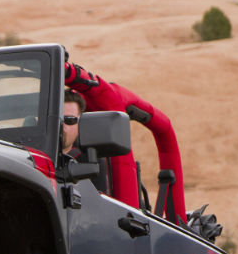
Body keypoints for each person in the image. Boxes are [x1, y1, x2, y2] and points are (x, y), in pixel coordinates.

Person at [64, 59, 187, 225]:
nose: (63, 126)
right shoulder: (38, 158)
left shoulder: (91, 160)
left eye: (70, 119)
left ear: (84, 124)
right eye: (58, 119)